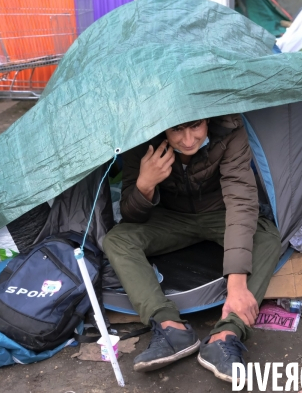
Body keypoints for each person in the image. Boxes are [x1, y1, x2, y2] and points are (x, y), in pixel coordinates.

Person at [102, 114, 281, 382]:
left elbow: (241, 202)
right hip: (169, 218)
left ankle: (227, 334)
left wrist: (237, 285)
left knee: (267, 236)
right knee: (116, 239)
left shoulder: (230, 131)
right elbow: (131, 215)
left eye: (195, 126)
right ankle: (169, 326)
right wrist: (145, 183)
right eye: (176, 130)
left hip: (219, 214)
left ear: (208, 120)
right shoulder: (141, 138)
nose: (188, 140)